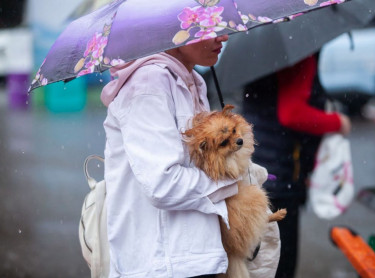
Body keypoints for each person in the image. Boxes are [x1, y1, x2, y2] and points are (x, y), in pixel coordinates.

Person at [100, 35, 238, 278]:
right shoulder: (148, 85)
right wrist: (231, 182)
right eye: (205, 27)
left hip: (193, 257)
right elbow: (163, 183)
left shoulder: (192, 81)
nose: (223, 36)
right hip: (162, 264)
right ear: (174, 31)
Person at [242, 52, 351, 278]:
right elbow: (291, 114)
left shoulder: (260, 54)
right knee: (279, 262)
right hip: (279, 177)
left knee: (257, 263)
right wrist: (338, 122)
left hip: (255, 168)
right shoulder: (299, 55)